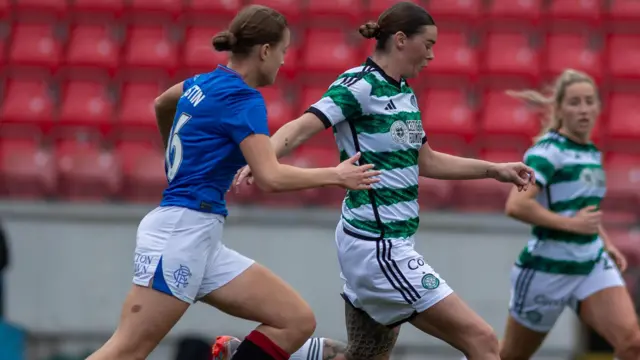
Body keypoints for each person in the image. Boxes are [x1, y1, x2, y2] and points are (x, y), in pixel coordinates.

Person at [232, 2, 536, 359]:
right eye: (429, 44)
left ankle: (251, 355)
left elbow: (427, 160)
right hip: (378, 247)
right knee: (482, 340)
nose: (433, 55)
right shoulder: (359, 86)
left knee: (364, 357)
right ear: (402, 40)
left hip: (382, 244)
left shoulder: (404, 92)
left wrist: (493, 170)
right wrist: (265, 157)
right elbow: (302, 126)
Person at [86, 5, 380, 360]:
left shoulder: (202, 83)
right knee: (126, 351)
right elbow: (270, 176)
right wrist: (335, 176)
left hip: (200, 235)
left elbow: (162, 102)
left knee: (294, 321)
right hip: (180, 233)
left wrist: (180, 159)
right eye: (283, 51)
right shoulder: (243, 99)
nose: (284, 62)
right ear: (265, 51)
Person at [498, 69, 640, 360]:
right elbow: (517, 205)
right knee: (509, 356)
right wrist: (573, 225)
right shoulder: (547, 153)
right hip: (547, 270)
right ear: (560, 108)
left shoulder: (590, 152)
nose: (584, 109)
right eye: (575, 102)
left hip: (590, 264)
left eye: (590, 101)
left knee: (632, 343)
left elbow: (582, 210)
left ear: (599, 107)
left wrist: (606, 243)